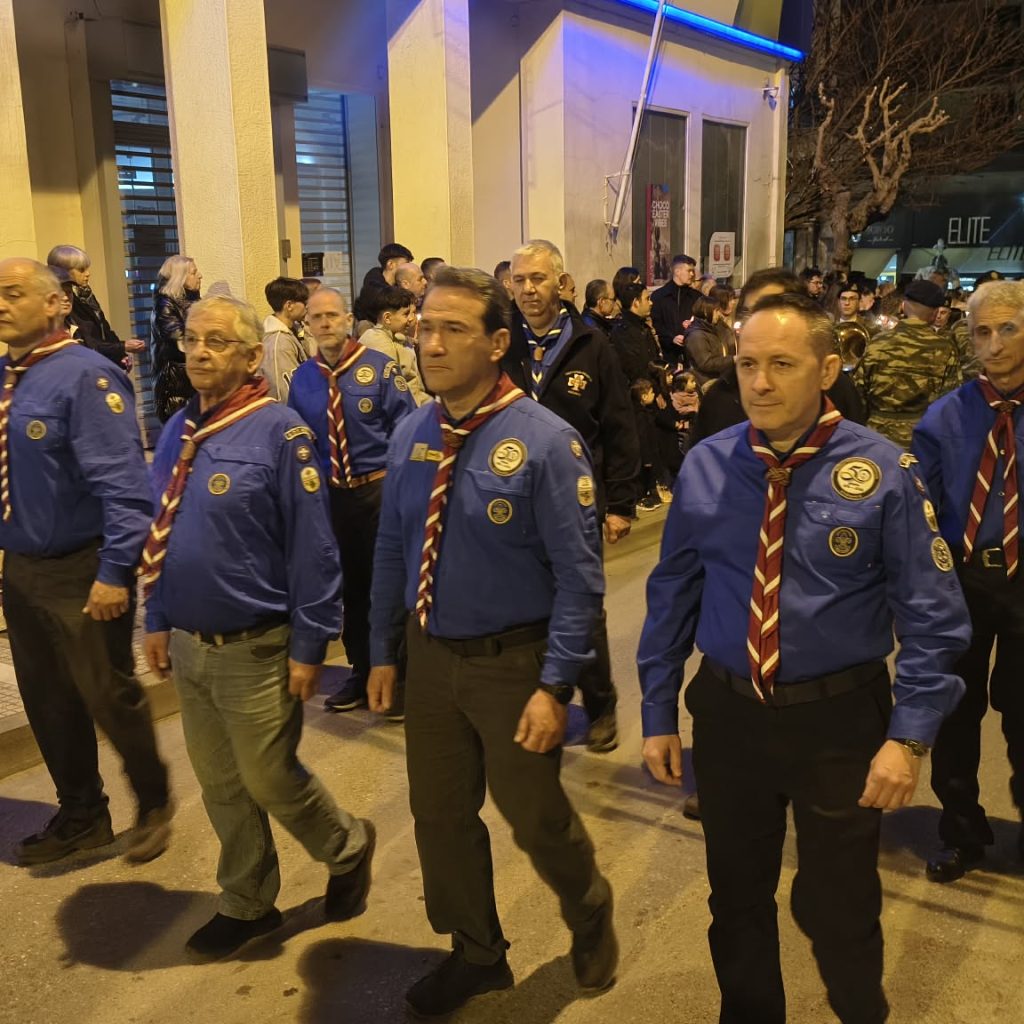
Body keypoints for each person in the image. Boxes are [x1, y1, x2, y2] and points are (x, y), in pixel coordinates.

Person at [639, 291, 970, 1024]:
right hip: (730, 716)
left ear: (826, 370)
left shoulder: (881, 469)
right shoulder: (707, 464)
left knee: (840, 905)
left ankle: (859, 1011)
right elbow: (672, 594)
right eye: (747, 364)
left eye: (782, 365)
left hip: (839, 723)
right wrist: (657, 710)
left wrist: (909, 738)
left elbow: (934, 617)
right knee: (736, 898)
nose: (759, 383)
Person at [367, 266, 617, 1017]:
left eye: (453, 329)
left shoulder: (546, 443)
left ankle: (587, 905)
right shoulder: (414, 431)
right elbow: (392, 547)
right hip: (432, 659)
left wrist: (556, 686)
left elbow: (580, 580)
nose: (431, 344)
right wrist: (383, 651)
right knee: (440, 816)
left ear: (498, 343)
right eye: (424, 328)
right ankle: (477, 953)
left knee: (533, 816)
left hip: (515, 665)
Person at [141, 294, 375, 962]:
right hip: (190, 642)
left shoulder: (280, 433)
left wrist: (311, 644)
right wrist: (156, 616)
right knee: (220, 783)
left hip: (258, 644)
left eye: (216, 341)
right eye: (191, 339)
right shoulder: (178, 429)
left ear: (250, 357)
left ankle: (347, 845)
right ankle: (247, 902)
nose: (198, 352)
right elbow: (162, 529)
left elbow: (314, 549)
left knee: (270, 778)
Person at [0, 258, 172, 867]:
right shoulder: (7, 378)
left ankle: (153, 799)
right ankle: (82, 815)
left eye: (13, 293)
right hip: (23, 566)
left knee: (108, 694)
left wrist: (114, 571)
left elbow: (126, 489)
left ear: (55, 304)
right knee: (47, 700)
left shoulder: (86, 377)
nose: (1, 303)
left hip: (83, 566)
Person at [505, 239, 640, 753]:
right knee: (524, 607)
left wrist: (621, 503)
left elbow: (619, 424)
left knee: (581, 606)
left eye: (537, 278)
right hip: (513, 499)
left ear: (561, 284)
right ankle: (545, 698)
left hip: (577, 500)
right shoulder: (502, 343)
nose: (527, 289)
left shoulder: (591, 344)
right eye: (519, 280)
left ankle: (600, 703)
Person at [912, 280, 1024, 883]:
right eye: (982, 331)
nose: (994, 343)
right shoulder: (945, 417)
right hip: (963, 579)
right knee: (954, 710)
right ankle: (961, 831)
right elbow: (921, 508)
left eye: (1008, 328)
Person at [288, 287, 415, 715]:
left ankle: (398, 676)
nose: (325, 323)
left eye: (332, 315)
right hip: (332, 499)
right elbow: (299, 443)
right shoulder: (303, 379)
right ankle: (361, 672)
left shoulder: (379, 369)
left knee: (388, 587)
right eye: (316, 317)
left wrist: (401, 489)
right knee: (351, 590)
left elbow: (406, 431)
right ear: (307, 325)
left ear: (347, 320)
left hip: (378, 492)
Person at [687, 268, 864, 451]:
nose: (760, 385)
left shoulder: (837, 389)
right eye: (750, 314)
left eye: (774, 310)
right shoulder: (720, 396)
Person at [855, 279, 962, 448]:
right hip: (921, 439)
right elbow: (949, 401)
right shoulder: (945, 348)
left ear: (903, 306)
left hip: (876, 439)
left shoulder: (878, 342)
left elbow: (859, 393)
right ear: (935, 313)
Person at [46, 245, 146, 367]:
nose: (88, 274)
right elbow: (89, 342)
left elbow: (103, 327)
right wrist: (121, 347)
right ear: (64, 271)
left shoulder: (85, 293)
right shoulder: (64, 307)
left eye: (68, 292)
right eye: (81, 270)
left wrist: (120, 354)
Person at [150, 254, 202, 422]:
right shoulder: (164, 306)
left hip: (194, 384)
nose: (200, 276)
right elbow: (179, 339)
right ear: (180, 278)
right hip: (177, 386)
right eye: (194, 273)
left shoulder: (196, 303)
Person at [359, 285, 430, 405]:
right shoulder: (381, 344)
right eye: (406, 314)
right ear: (387, 318)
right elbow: (397, 390)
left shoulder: (396, 339)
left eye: (412, 313)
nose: (411, 318)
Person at [260, 276, 309, 403]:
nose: (307, 307)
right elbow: (282, 392)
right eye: (304, 302)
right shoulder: (278, 342)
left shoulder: (292, 331)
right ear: (289, 305)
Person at [682, 288, 737, 389]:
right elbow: (705, 363)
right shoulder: (696, 335)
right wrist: (732, 360)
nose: (719, 314)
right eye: (716, 311)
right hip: (706, 383)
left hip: (719, 379)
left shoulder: (713, 328)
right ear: (706, 312)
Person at [651, 254, 700, 363]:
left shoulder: (696, 297)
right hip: (668, 354)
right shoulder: (659, 296)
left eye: (693, 271)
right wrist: (671, 338)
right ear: (677, 271)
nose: (692, 274)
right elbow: (656, 324)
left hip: (692, 352)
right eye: (689, 271)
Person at [354, 243, 414, 324]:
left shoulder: (400, 286)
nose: (408, 269)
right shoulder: (373, 286)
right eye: (405, 264)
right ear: (390, 264)